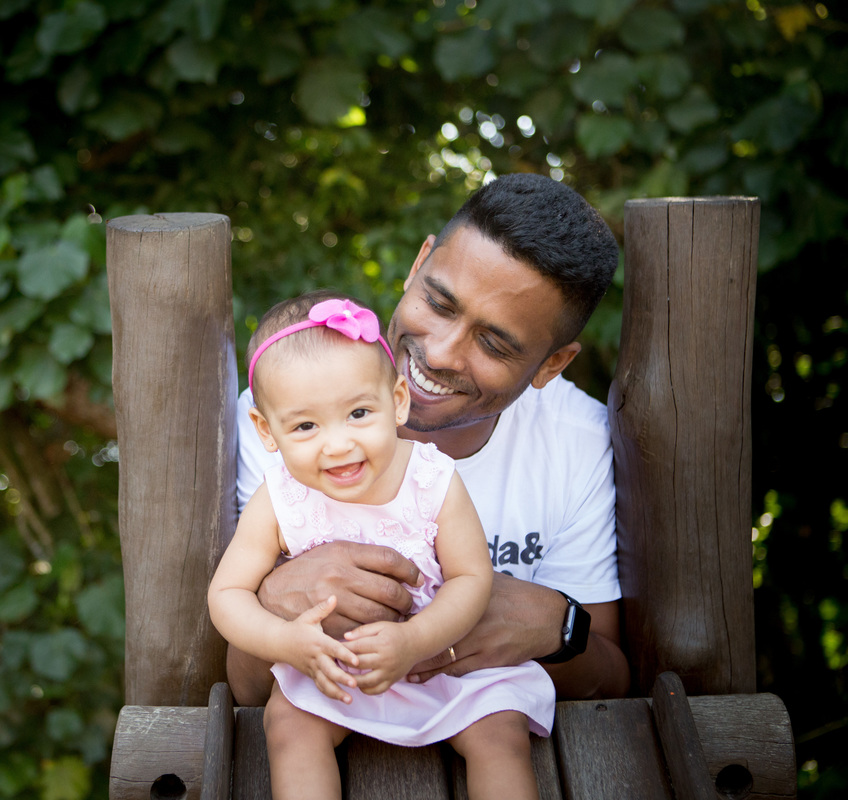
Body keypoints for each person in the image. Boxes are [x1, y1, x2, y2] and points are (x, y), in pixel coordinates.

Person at [229, 173, 631, 708]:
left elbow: (616, 684)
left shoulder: (579, 446)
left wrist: (556, 625)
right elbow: (244, 690)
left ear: (552, 364)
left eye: (493, 343)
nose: (440, 353)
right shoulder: (291, 418)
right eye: (440, 304)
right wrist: (276, 604)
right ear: (418, 266)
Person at [209, 293, 553, 800]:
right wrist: (285, 642)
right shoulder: (279, 495)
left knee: (499, 730)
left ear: (397, 401)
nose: (338, 443)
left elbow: (472, 578)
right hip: (336, 669)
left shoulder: (430, 477)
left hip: (441, 658)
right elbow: (227, 594)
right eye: (305, 426)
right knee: (288, 723)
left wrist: (415, 641)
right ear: (267, 430)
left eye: (358, 413)